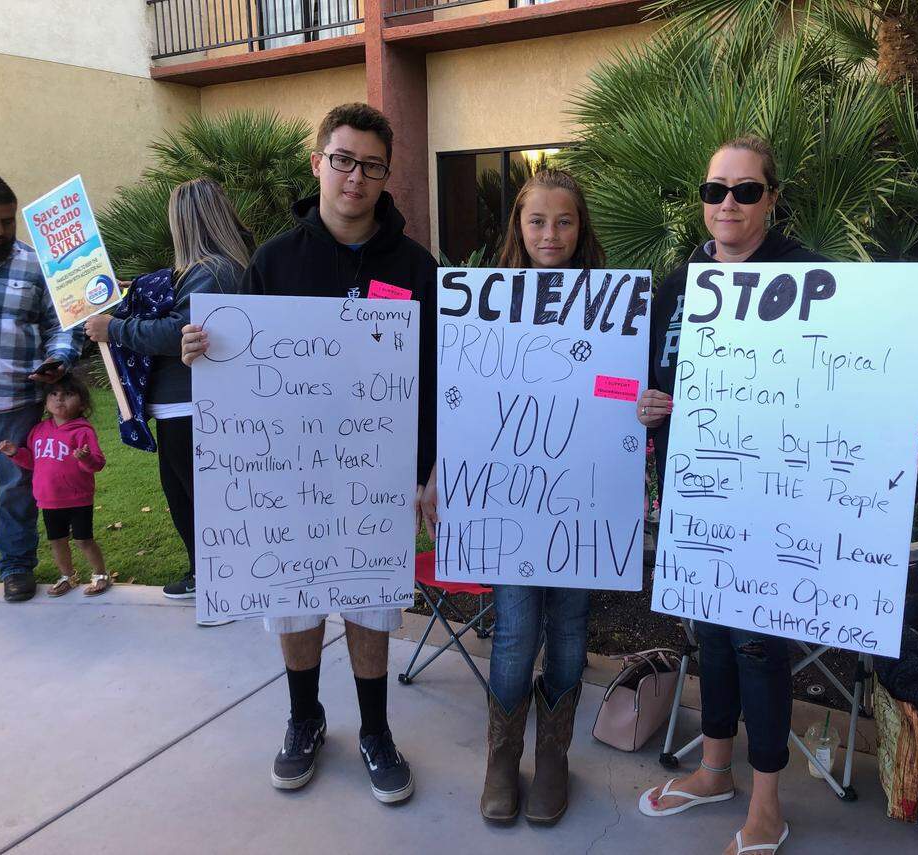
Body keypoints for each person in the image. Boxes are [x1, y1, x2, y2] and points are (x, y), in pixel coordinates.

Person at [635, 137, 918, 855]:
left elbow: (862, 372)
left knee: (757, 642)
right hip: (697, 489)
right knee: (709, 633)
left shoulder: (810, 275)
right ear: (702, 199)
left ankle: (767, 803)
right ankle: (714, 770)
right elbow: (653, 380)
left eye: (746, 190)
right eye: (716, 191)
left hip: (774, 498)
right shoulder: (681, 286)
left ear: (773, 198)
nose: (729, 205)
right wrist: (649, 405)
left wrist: (909, 431)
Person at [180, 103, 437, 804]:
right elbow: (242, 364)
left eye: (372, 165)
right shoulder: (274, 260)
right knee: (292, 599)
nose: (356, 177)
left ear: (387, 176)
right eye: (344, 159)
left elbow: (439, 375)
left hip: (378, 472)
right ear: (319, 162)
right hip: (287, 470)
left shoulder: (416, 267)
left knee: (372, 601)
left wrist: (427, 468)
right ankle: (303, 717)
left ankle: (376, 729)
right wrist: (202, 352)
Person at [476, 168, 607, 826]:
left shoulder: (611, 305)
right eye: (537, 221)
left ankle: (553, 756)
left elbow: (613, 385)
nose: (551, 234)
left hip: (581, 496)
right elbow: (467, 399)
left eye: (564, 221)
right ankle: (502, 758)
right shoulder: (486, 302)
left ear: (581, 228)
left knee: (569, 634)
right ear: (517, 228)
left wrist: (629, 402)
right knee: (514, 633)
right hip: (509, 499)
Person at [84, 178, 253, 605]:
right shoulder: (213, 269)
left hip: (192, 406)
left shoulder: (213, 270)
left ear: (185, 222)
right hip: (185, 404)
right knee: (183, 493)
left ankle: (218, 579)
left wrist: (114, 328)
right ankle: (207, 574)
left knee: (196, 498)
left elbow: (177, 330)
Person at [0, 176, 85, 603]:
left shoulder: (35, 265)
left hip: (17, 403)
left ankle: (16, 568)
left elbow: (61, 324)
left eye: (7, 222)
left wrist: (59, 361)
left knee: (16, 490)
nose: (0, 231)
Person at [0, 375, 109, 595]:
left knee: (83, 540)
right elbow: (33, 461)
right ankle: (67, 576)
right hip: (48, 499)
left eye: (68, 394)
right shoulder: (38, 430)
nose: (59, 399)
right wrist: (15, 454)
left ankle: (100, 575)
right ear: (46, 401)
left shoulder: (82, 431)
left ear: (83, 403)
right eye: (53, 394)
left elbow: (97, 464)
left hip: (78, 498)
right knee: (57, 541)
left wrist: (85, 458)